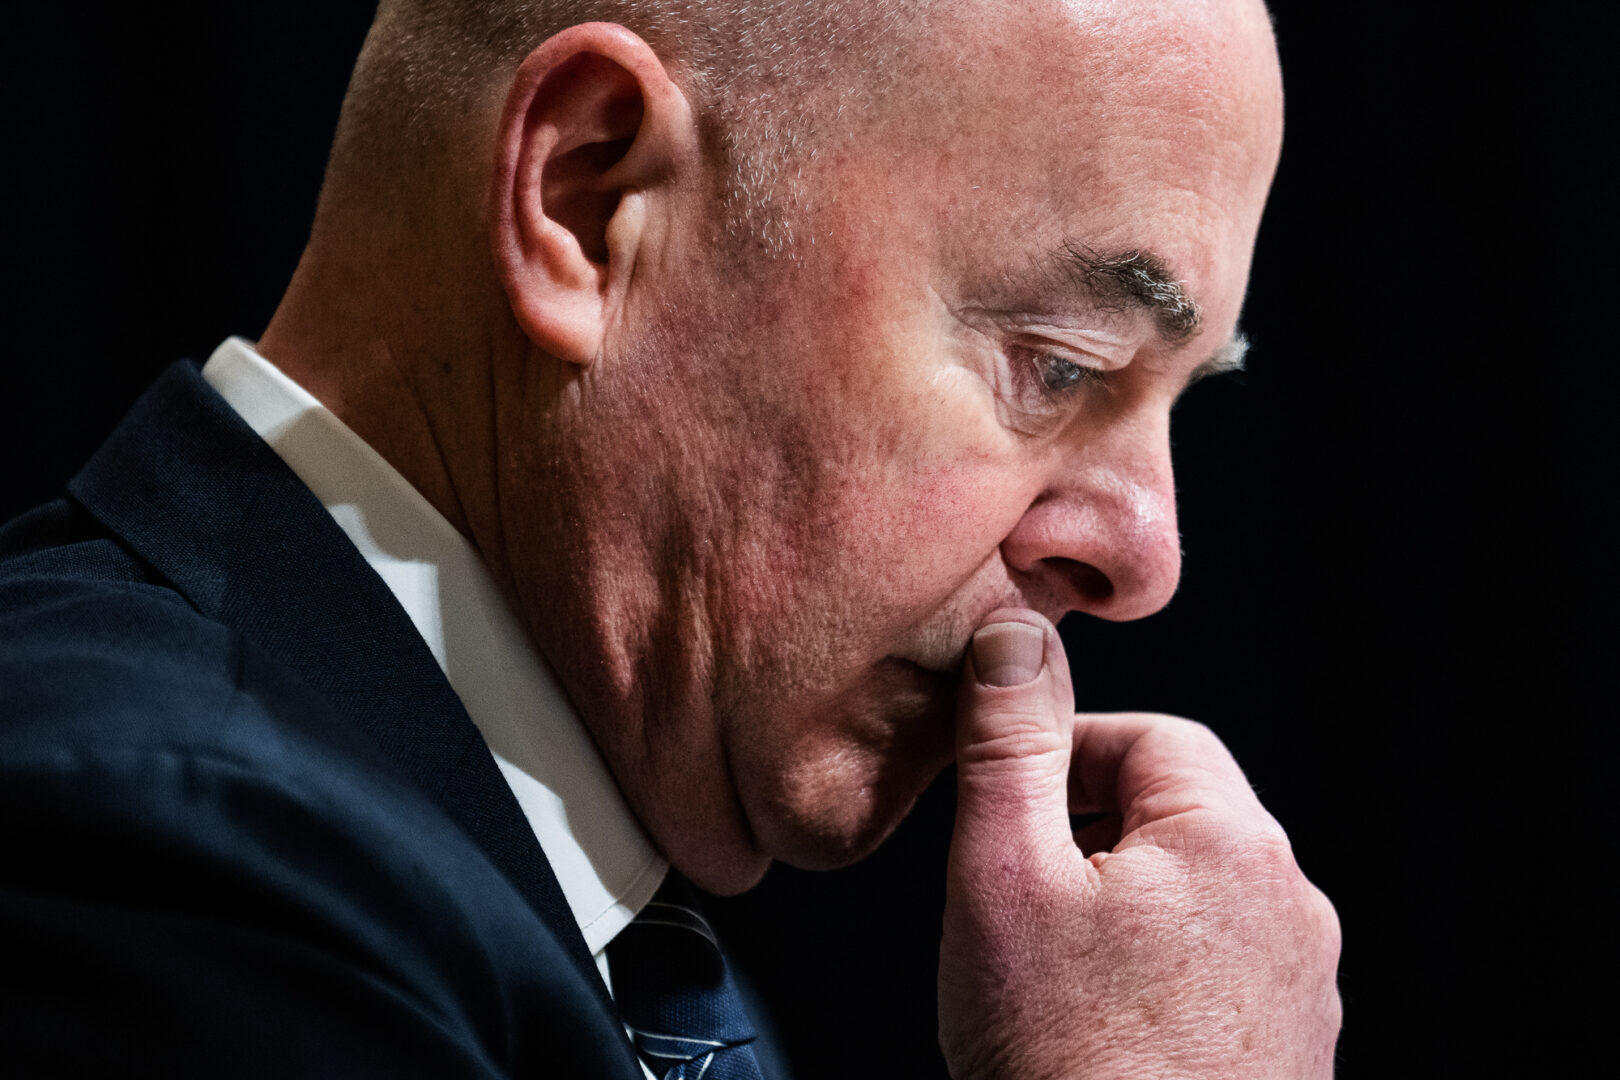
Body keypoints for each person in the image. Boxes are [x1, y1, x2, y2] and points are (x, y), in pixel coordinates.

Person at [0, 0, 1340, 1076]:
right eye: (1060, 363)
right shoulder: (163, 857)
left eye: (1184, 402)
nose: (1147, 559)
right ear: (587, 201)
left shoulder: (607, 927)